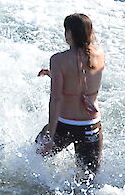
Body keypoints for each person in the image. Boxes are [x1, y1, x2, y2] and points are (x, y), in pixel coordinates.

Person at [34, 13, 105, 179]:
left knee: (33, 156)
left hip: (65, 125)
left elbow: (57, 98)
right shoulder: (100, 54)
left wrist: (51, 136)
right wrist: (54, 75)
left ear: (69, 34)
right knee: (89, 179)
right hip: (91, 125)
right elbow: (83, 81)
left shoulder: (58, 60)